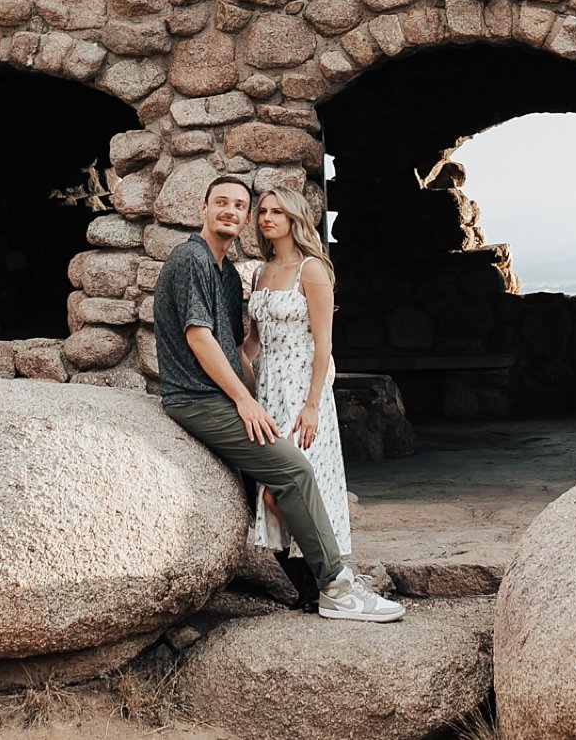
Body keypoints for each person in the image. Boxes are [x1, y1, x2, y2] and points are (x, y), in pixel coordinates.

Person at [153, 175, 404, 623]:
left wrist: (299, 396)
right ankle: (336, 587)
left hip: (247, 395)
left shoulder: (230, 276)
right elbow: (200, 338)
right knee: (291, 471)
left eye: (241, 206)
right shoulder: (191, 259)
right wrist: (247, 400)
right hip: (197, 398)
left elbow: (240, 348)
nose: (234, 212)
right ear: (202, 208)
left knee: (282, 479)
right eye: (222, 203)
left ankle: (315, 588)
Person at [242, 187, 353, 614]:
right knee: (270, 490)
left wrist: (311, 405)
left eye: (277, 212)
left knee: (290, 489)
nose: (267, 218)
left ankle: (322, 582)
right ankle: (307, 589)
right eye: (263, 212)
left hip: (304, 391)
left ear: (294, 218)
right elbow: (252, 343)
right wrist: (234, 377)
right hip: (268, 389)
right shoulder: (260, 272)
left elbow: (323, 344)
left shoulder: (313, 270)